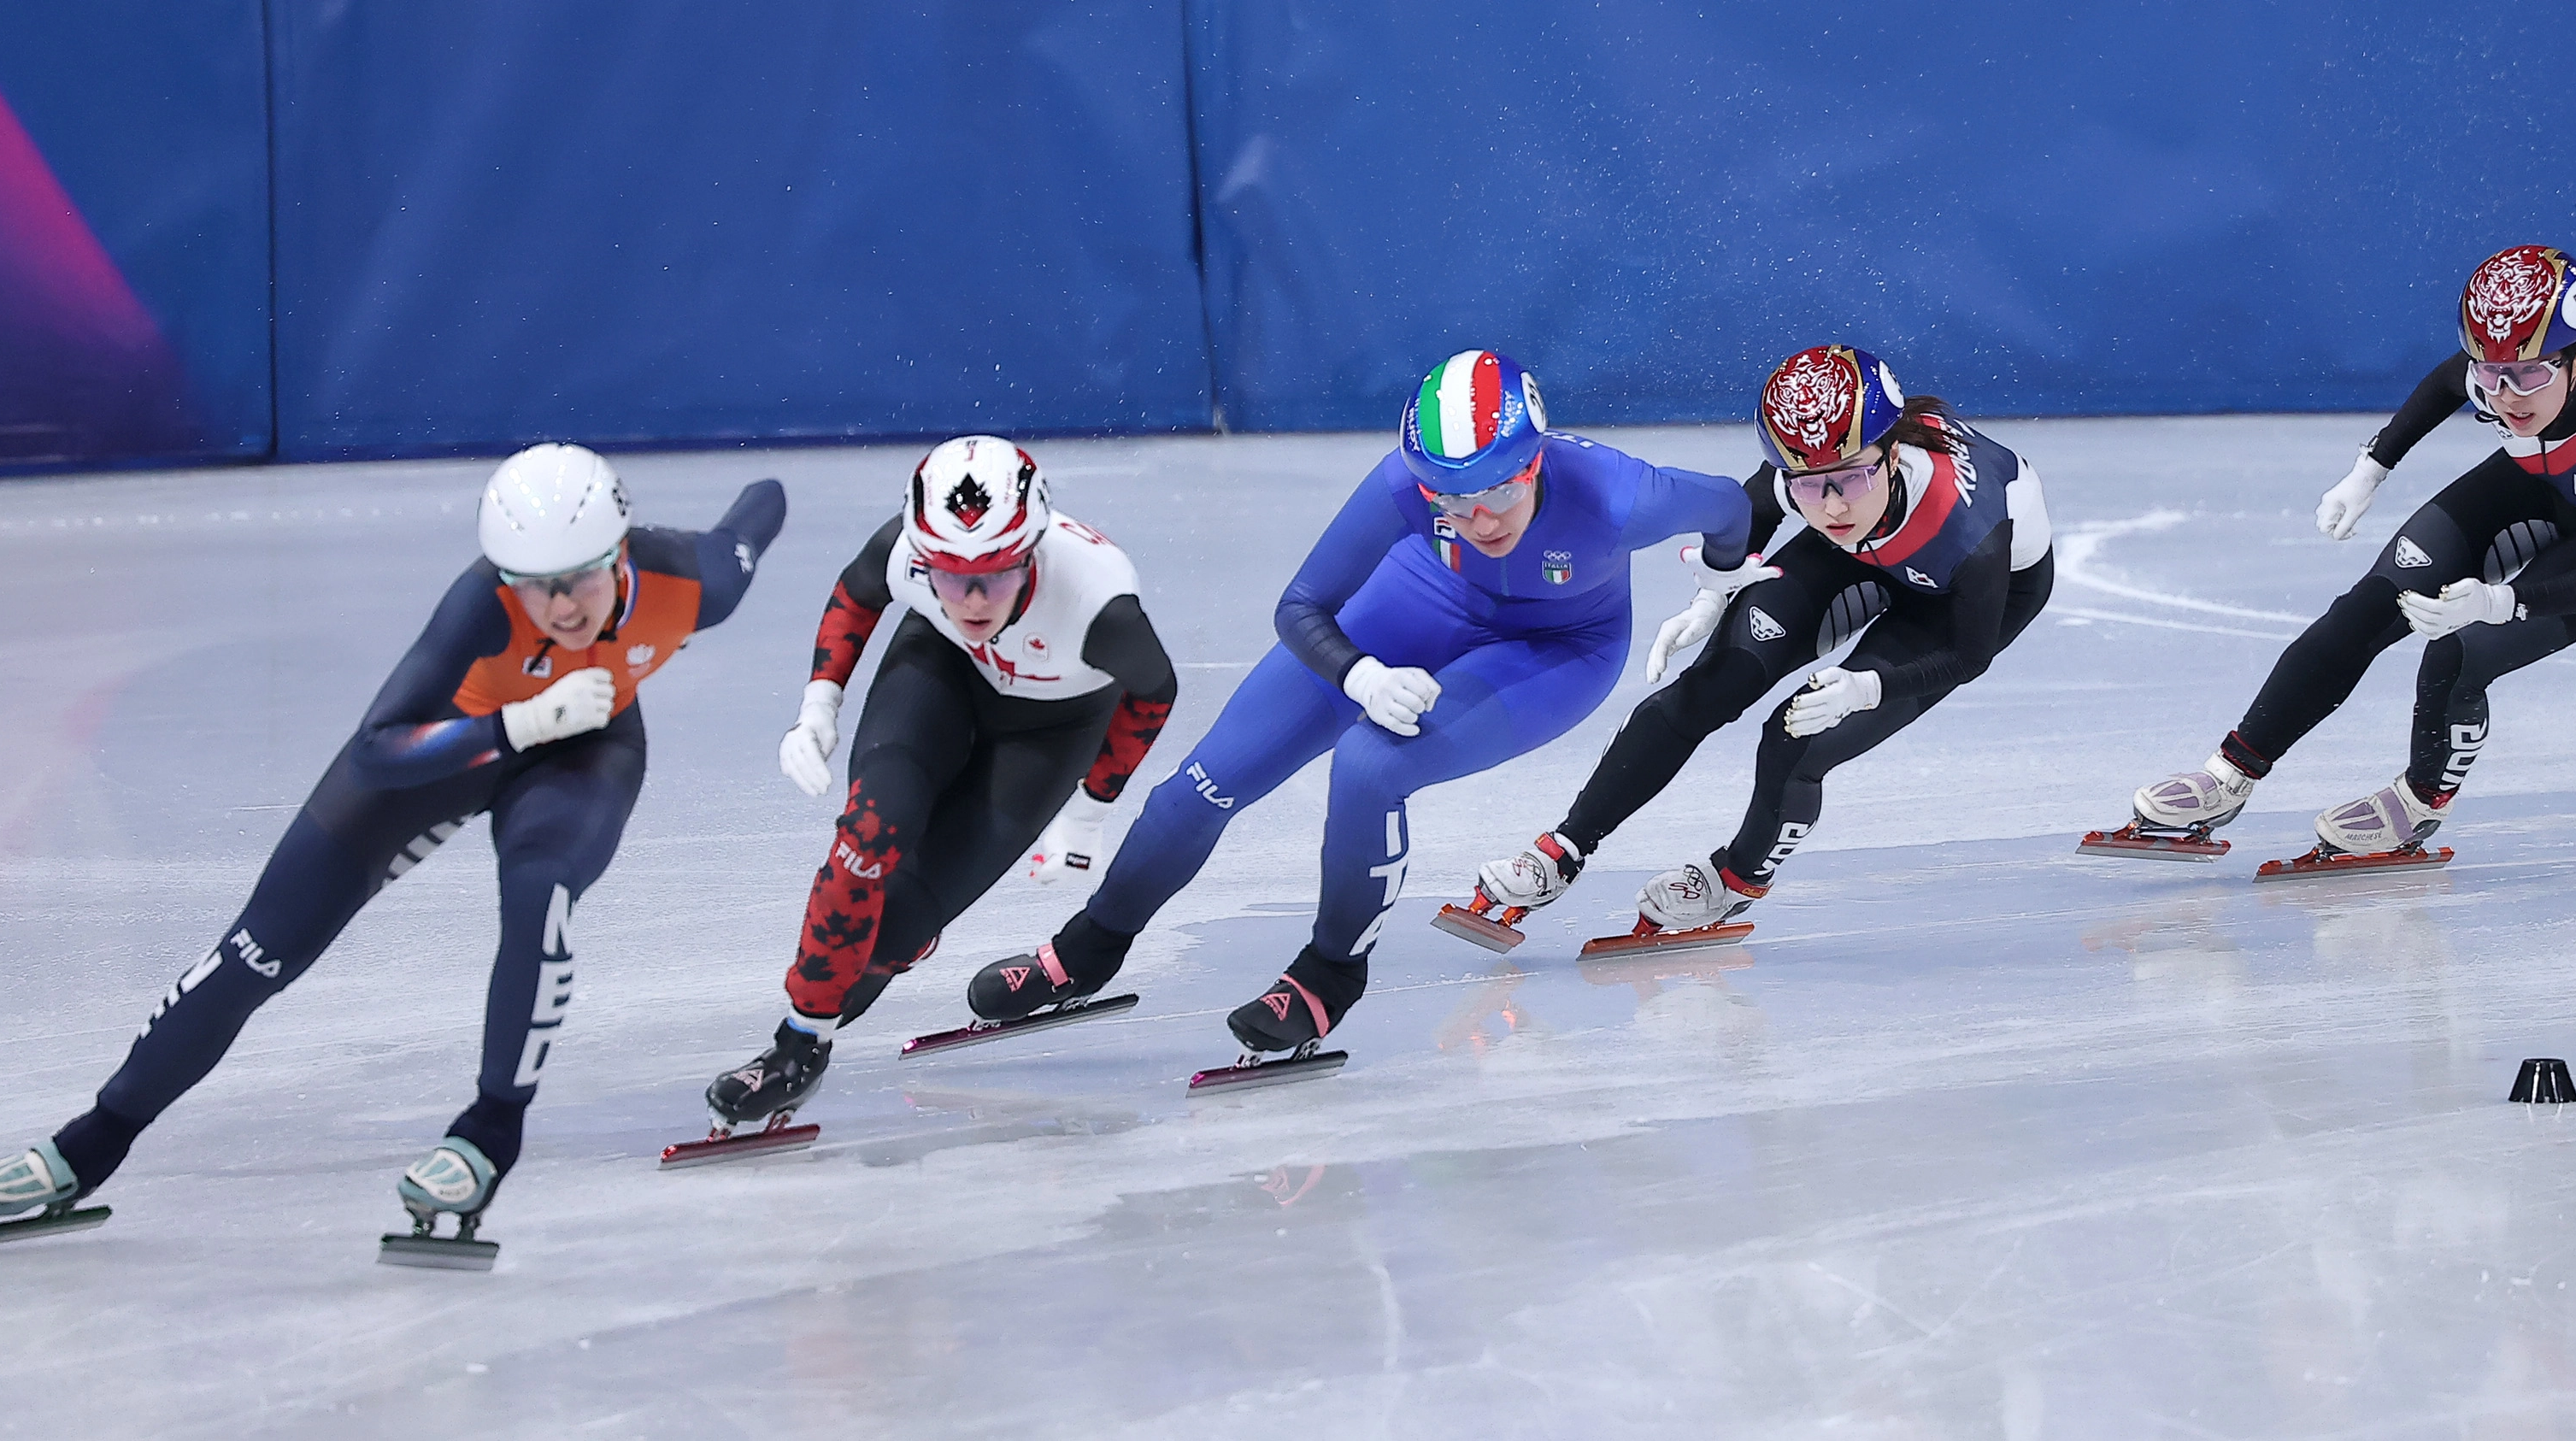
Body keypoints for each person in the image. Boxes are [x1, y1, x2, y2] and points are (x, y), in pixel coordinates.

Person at [0, 445, 785, 1240]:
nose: (560, 608)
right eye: (532, 589)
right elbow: (377, 748)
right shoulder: (479, 605)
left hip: (586, 752)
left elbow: (763, 503)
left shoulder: (693, 580)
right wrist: (518, 722)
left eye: (576, 580)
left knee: (539, 894)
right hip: (457, 742)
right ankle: (92, 1142)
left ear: (618, 552)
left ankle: (489, 1133)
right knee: (260, 949)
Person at [964, 350, 1754, 1056]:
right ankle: (1089, 950)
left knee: (1371, 765)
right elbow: (1301, 607)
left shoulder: (1618, 498)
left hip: (1560, 650)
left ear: (1532, 468)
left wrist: (1718, 586)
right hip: (1422, 603)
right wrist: (1358, 674)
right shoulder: (1405, 489)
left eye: (1489, 498)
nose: (1472, 520)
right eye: (1447, 500)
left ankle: (1326, 977)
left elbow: (1729, 506)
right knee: (1200, 786)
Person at [2122, 245, 2576, 856]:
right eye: (2491, 374)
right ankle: (2231, 774)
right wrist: (2368, 471)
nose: (2508, 395)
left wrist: (2498, 602)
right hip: (2540, 481)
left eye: (2530, 374)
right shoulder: (2503, 369)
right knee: (2367, 609)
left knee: (2459, 653)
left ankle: (2420, 803)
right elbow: (2441, 386)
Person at [1472, 345, 2054, 934]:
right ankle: (1564, 849)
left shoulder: (1971, 522)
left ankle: (1736, 879)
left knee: (1795, 737)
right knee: (1709, 685)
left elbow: (1968, 654)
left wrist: (1867, 687)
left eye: (1849, 479)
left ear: (1894, 452)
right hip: (1862, 555)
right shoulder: (1817, 462)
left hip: (1960, 600)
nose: (1829, 506)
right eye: (1806, 486)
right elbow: (1750, 518)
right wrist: (1713, 593)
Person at [701, 436, 1175, 1130]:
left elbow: (1154, 693)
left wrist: (1090, 810)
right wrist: (817, 708)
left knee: (889, 934)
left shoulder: (1100, 604)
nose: (975, 598)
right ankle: (796, 1049)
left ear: (1033, 552)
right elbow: (856, 594)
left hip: (1051, 727)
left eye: (997, 574)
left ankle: (903, 939)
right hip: (939, 670)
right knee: (869, 833)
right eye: (949, 575)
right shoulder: (905, 552)